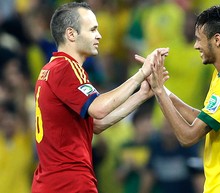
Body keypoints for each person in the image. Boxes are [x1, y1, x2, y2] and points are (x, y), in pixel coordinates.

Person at [31, 2, 168, 193]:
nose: (99, 35)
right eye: (93, 29)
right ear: (71, 34)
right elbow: (99, 108)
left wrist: (142, 94)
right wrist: (140, 75)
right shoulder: (66, 68)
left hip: (50, 182)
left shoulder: (50, 70)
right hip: (71, 183)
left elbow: (95, 124)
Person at [142, 5, 220, 193]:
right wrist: (163, 90)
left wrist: (159, 93)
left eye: (199, 39)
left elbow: (188, 136)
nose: (195, 45)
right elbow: (205, 118)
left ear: (217, 40)